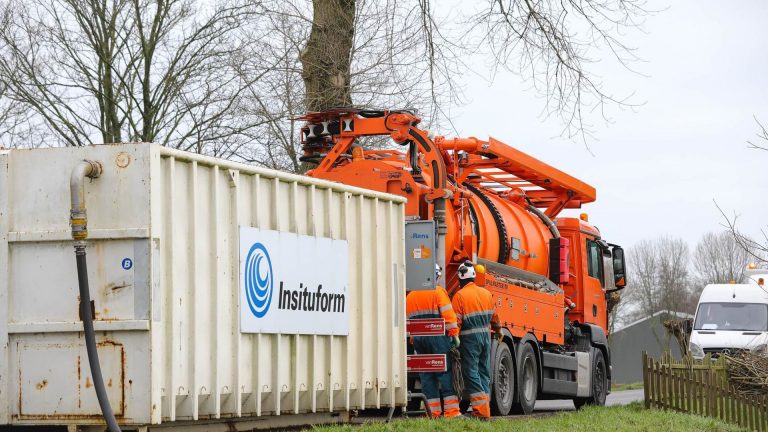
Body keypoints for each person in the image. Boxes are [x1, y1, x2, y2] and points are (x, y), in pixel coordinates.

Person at [406, 264, 461, 418]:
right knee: (446, 373)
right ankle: (451, 412)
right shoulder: (438, 293)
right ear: (435, 276)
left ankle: (433, 412)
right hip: (438, 338)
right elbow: (449, 317)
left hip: (419, 340)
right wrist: (454, 335)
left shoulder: (410, 296)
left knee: (427, 376)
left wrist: (413, 337)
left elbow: (409, 321)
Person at [451, 260, 501, 419]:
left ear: (460, 279)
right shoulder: (486, 293)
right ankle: (485, 408)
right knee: (484, 372)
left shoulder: (459, 296)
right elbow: (495, 316)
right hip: (486, 338)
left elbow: (456, 322)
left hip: (469, 340)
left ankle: (481, 412)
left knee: (471, 373)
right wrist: (499, 331)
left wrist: (453, 340)